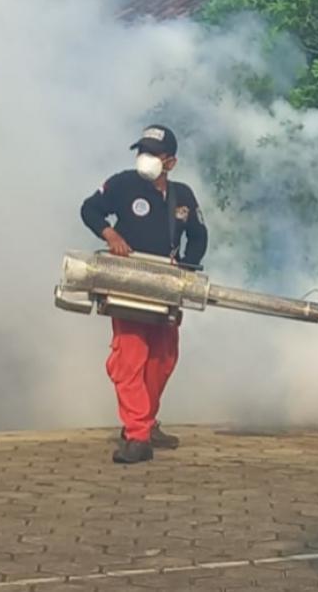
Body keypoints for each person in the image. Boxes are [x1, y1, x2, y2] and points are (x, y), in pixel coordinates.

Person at [81, 124, 208, 464]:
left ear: (170, 162)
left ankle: (145, 421)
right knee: (130, 357)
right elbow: (89, 209)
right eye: (142, 152)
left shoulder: (183, 196)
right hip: (128, 283)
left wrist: (187, 268)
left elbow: (198, 236)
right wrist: (110, 235)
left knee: (163, 359)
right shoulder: (123, 184)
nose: (145, 158)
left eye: (153, 153)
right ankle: (137, 436)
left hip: (166, 284)